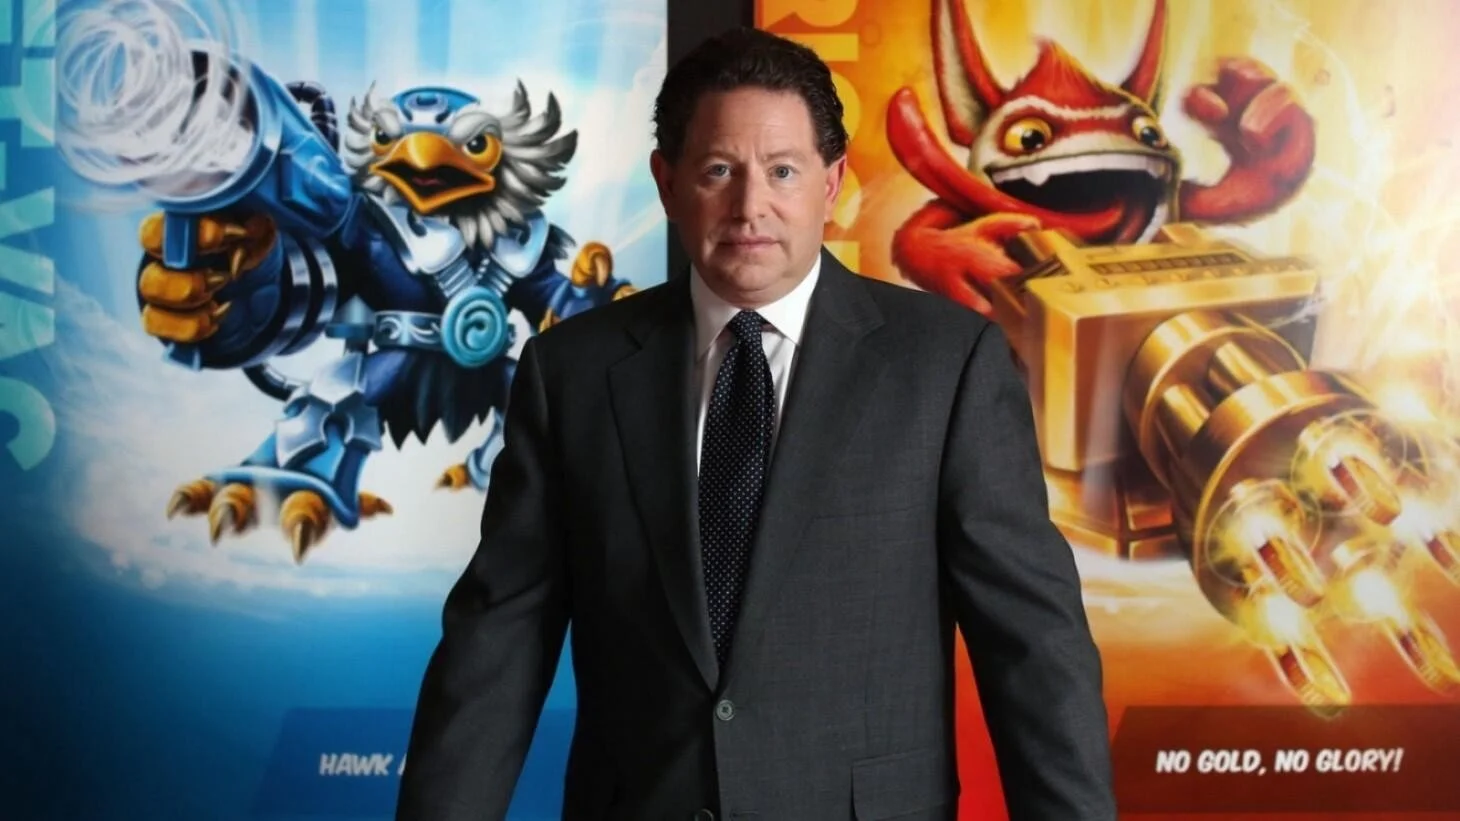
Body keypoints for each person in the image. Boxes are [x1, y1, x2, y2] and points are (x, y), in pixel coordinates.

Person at [396, 26, 1116, 821]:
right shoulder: (571, 374)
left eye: (782, 171)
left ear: (831, 184)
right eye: (718, 171)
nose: (750, 207)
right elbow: (497, 641)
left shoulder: (947, 364)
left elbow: (1033, 647)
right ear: (667, 183)